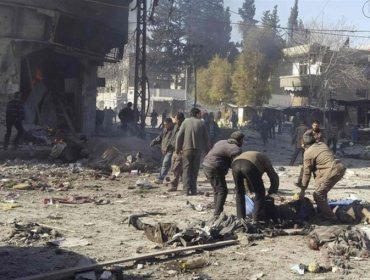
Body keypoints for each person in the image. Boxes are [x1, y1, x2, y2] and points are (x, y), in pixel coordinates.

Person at [296, 133, 346, 220]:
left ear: (304, 143)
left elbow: (307, 173)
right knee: (322, 191)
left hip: (332, 171)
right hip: (339, 167)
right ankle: (323, 211)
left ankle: (331, 217)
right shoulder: (322, 144)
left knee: (318, 195)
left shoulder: (308, 152)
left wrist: (303, 190)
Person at [202, 131, 244, 218]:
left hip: (206, 165)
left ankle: (217, 211)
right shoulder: (236, 149)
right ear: (240, 140)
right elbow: (236, 167)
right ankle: (217, 213)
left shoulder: (220, 142)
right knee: (222, 190)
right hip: (215, 167)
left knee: (217, 190)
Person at [231, 151, 279, 221]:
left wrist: (251, 191)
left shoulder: (255, 157)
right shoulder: (265, 160)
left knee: (239, 192)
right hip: (248, 165)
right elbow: (273, 176)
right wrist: (272, 192)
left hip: (235, 165)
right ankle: (257, 220)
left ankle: (240, 219)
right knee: (260, 192)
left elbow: (248, 179)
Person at [176, 107, 211, 195]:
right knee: (194, 170)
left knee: (186, 169)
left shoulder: (185, 122)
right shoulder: (201, 123)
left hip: (186, 149)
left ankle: (185, 190)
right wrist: (208, 150)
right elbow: (207, 138)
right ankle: (194, 190)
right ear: (197, 114)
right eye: (200, 114)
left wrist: (178, 149)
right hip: (198, 150)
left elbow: (179, 136)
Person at [150, 118, 175, 184]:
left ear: (170, 123)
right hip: (164, 150)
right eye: (164, 124)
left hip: (171, 150)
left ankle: (160, 178)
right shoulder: (165, 130)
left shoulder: (174, 130)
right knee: (165, 164)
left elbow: (174, 141)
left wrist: (170, 146)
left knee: (165, 163)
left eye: (166, 124)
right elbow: (160, 137)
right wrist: (154, 141)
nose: (165, 126)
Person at [167, 112, 185, 192]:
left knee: (176, 168)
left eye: (176, 119)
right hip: (174, 150)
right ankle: (186, 185)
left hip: (181, 151)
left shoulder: (184, 127)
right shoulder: (175, 127)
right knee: (176, 169)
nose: (175, 120)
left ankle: (174, 185)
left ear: (180, 119)